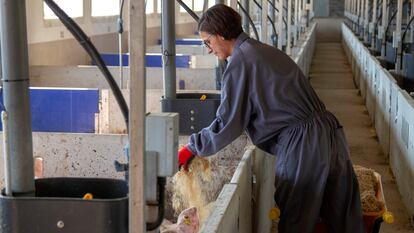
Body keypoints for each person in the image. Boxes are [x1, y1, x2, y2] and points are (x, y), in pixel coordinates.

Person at [178, 4, 365, 233]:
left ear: (219, 35)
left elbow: (228, 122)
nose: (208, 49)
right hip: (330, 133)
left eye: (207, 42)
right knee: (342, 217)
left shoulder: (240, 61)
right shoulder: (263, 50)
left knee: (297, 220)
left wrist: (193, 147)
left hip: (303, 145)